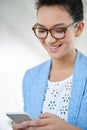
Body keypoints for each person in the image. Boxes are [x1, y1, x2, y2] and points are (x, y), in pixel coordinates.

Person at [12, 0, 87, 130]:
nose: (49, 40)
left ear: (79, 29)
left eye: (59, 30)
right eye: (42, 30)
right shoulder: (30, 78)